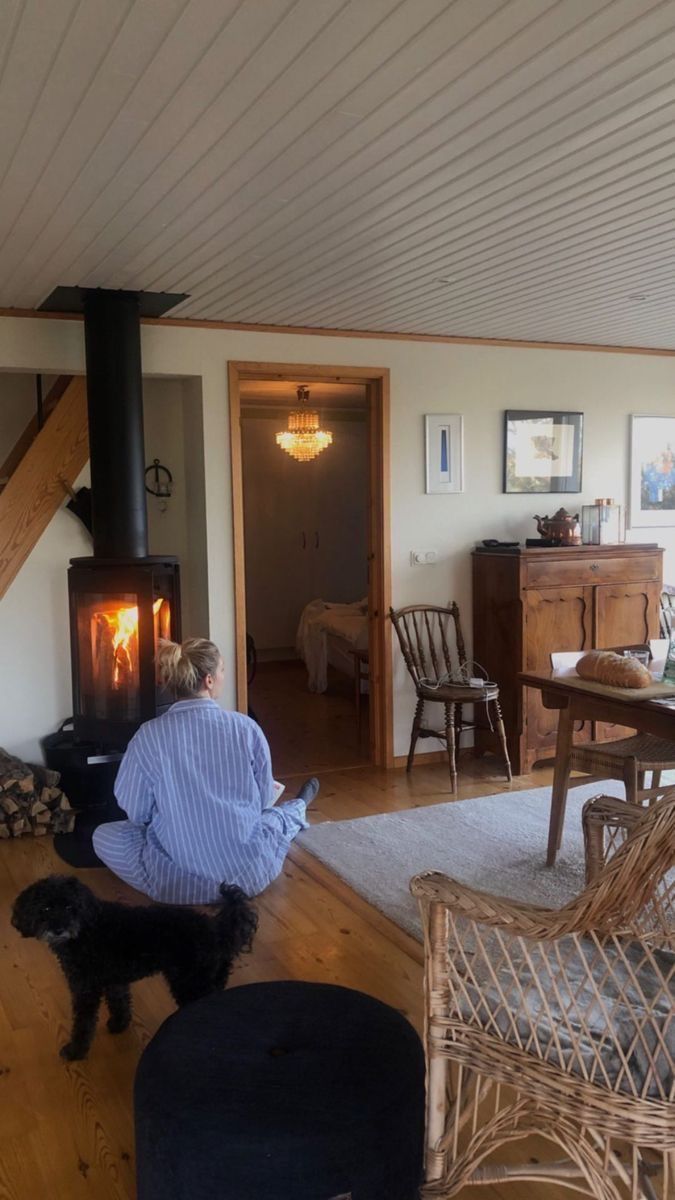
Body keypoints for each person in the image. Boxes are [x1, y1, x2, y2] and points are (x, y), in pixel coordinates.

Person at [92, 637, 319, 903]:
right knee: (272, 821)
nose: (224, 676)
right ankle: (298, 807)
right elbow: (262, 798)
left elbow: (135, 811)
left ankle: (296, 807)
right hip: (249, 877)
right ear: (209, 680)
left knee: (103, 835)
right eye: (223, 670)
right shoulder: (245, 728)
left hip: (178, 884)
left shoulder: (148, 736)